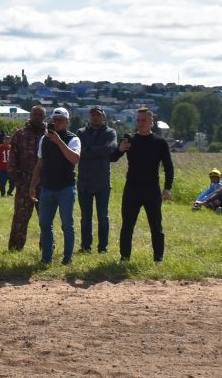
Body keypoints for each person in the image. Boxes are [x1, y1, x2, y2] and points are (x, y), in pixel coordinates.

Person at [117, 107, 175, 264]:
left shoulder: (159, 142)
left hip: (152, 189)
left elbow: (168, 167)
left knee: (156, 226)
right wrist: (119, 149)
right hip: (132, 188)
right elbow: (112, 157)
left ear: (151, 122)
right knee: (127, 225)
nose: (140, 123)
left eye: (144, 120)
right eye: (138, 120)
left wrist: (167, 187)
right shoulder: (130, 139)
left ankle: (158, 259)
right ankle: (124, 258)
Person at [37, 107, 82, 265]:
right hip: (47, 187)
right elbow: (40, 163)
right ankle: (46, 258)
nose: (56, 123)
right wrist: (32, 185)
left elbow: (75, 159)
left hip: (66, 188)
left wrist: (59, 141)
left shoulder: (73, 139)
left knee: (67, 225)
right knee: (44, 224)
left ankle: (67, 259)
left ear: (67, 122)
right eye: (54, 120)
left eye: (60, 120)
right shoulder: (44, 139)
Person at [74, 106, 118, 253]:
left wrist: (89, 149)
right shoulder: (80, 132)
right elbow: (78, 152)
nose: (95, 117)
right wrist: (98, 150)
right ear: (89, 116)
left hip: (102, 182)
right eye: (93, 115)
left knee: (103, 217)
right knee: (85, 217)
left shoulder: (110, 132)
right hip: (84, 182)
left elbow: (110, 148)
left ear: (103, 116)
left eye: (98, 115)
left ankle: (102, 248)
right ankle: (86, 247)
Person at [5, 107, 48, 251]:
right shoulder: (20, 134)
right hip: (24, 182)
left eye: (40, 115)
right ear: (30, 115)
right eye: (34, 114)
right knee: (20, 217)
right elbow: (12, 159)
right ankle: (15, 247)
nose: (37, 117)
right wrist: (17, 179)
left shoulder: (49, 135)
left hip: (45, 184)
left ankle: (46, 247)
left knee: (46, 218)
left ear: (44, 117)